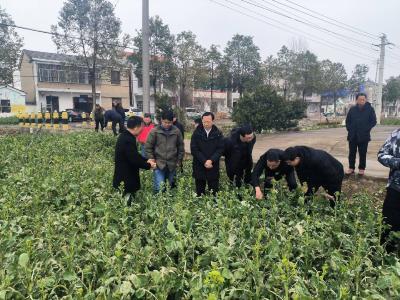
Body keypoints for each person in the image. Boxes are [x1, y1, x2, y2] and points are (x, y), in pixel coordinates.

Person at [113, 116, 156, 205]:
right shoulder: (127, 139)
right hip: (125, 178)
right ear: (136, 127)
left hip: (125, 176)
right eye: (142, 127)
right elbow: (134, 159)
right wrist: (148, 165)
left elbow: (135, 155)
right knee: (126, 203)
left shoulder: (126, 136)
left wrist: (147, 159)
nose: (142, 130)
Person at [145, 110, 185, 193]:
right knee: (159, 187)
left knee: (169, 186)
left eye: (169, 122)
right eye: (165, 122)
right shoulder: (154, 131)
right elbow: (148, 147)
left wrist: (179, 161)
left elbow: (181, 147)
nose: (167, 124)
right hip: (159, 163)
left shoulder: (176, 131)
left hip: (172, 164)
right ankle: (157, 203)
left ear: (173, 121)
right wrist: (152, 160)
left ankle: (166, 204)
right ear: (161, 120)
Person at [190, 112, 224, 196]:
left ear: (212, 121)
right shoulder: (196, 133)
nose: (206, 124)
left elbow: (220, 149)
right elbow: (194, 149)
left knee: (214, 192)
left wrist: (211, 160)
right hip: (199, 164)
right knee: (200, 192)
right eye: (204, 121)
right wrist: (204, 161)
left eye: (208, 121)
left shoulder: (218, 133)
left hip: (213, 165)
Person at [377, 129, 400, 252]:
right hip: (395, 188)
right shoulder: (396, 135)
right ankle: (385, 255)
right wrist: (397, 162)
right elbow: (381, 155)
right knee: (389, 224)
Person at [345, 92, 377, 176]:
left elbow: (373, 121)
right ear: (357, 100)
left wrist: (366, 129)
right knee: (351, 153)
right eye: (360, 99)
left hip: (364, 136)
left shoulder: (370, 109)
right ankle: (351, 168)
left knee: (362, 153)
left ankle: (361, 169)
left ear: (365, 100)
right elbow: (347, 121)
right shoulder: (352, 109)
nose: (362, 101)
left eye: (363, 99)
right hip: (353, 135)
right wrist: (350, 129)